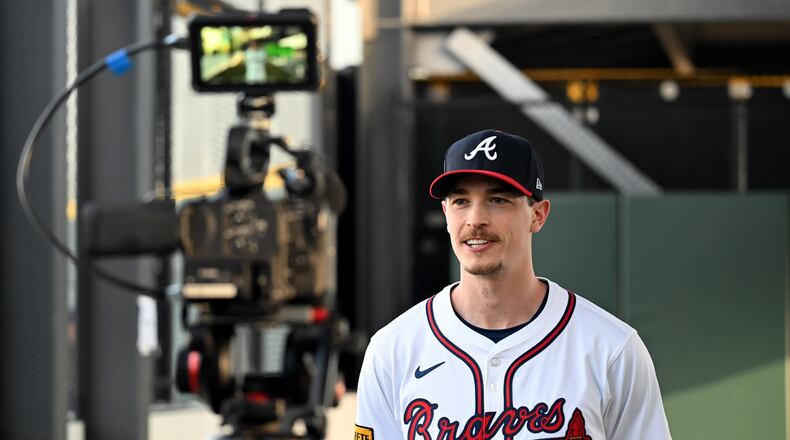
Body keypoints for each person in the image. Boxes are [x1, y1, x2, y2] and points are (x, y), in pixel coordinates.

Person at [354, 129, 671, 439]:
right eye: (461, 201)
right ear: (445, 213)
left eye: (498, 200)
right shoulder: (391, 352)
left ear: (538, 214)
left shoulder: (611, 349)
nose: (475, 218)